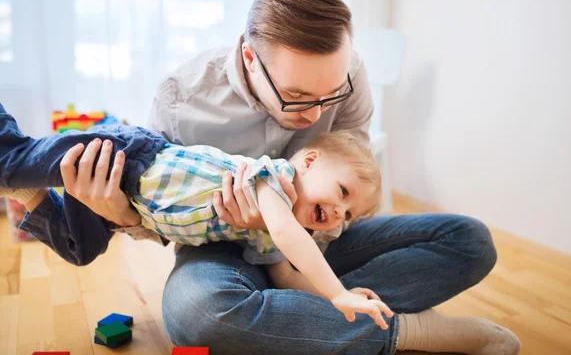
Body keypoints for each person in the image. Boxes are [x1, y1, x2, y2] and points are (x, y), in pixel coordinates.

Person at [5, 0, 520, 355]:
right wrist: (119, 212)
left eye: (330, 93)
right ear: (251, 58)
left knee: (470, 240)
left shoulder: (348, 75)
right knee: (197, 315)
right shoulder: (181, 97)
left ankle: (300, 320)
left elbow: (353, 175)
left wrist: (320, 232)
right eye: (298, 96)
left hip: (315, 247)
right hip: (221, 251)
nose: (318, 115)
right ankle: (409, 330)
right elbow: (163, 214)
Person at [0, 111, 394, 329]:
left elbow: (287, 276)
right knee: (14, 162)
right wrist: (337, 291)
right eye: (343, 193)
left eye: (348, 215)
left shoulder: (269, 237)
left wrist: (339, 294)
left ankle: (24, 195)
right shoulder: (276, 179)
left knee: (80, 249)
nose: (339, 215)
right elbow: (292, 236)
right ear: (309, 162)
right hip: (128, 157)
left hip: (130, 204)